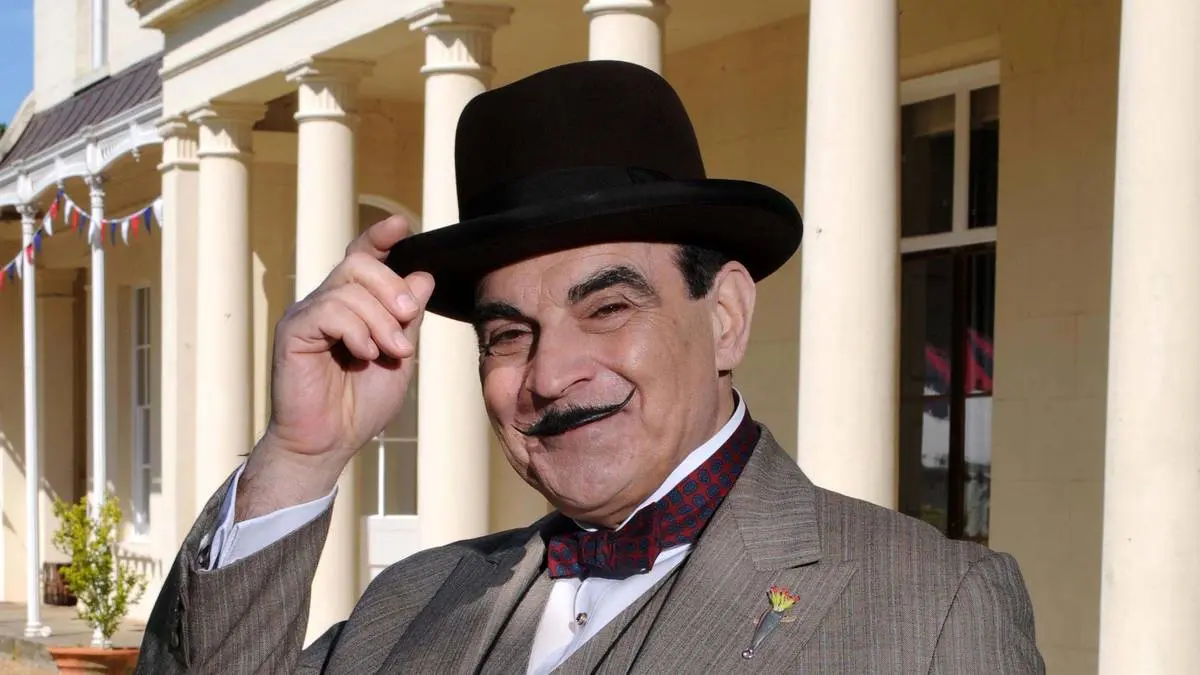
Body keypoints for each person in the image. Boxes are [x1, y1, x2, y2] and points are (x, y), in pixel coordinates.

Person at [136, 60, 1044, 674]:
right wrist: (300, 456)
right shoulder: (408, 602)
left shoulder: (934, 612)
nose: (549, 374)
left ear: (725, 316)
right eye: (508, 333)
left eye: (608, 307)